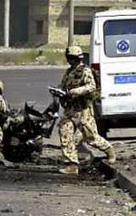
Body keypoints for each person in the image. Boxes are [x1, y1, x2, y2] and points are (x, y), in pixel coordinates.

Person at [57, 45, 116, 175]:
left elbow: (91, 87)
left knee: (91, 137)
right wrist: (60, 92)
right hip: (70, 109)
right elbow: (63, 86)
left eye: (72, 58)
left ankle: (109, 150)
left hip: (83, 110)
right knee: (64, 132)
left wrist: (76, 91)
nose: (70, 61)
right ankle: (71, 164)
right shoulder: (69, 72)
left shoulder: (85, 71)